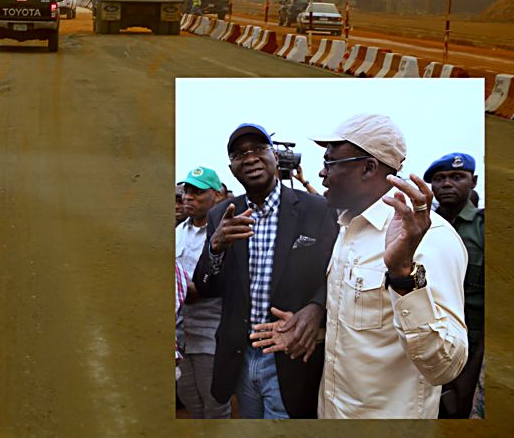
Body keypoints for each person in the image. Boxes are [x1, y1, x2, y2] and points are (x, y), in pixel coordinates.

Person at [254, 114, 468, 419]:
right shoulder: (348, 229)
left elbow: (446, 366)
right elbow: (369, 325)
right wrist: (309, 329)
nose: (320, 172)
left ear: (368, 168)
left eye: (330, 162)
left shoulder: (430, 239)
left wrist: (403, 277)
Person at [194, 123, 338, 419]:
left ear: (274, 156)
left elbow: (334, 274)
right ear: (231, 167)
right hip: (241, 356)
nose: (249, 158)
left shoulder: (317, 209)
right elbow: (206, 287)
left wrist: (316, 308)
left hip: (292, 355)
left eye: (258, 149)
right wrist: (216, 247)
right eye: (239, 154)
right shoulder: (221, 214)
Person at [424, 152, 483, 419]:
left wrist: (472, 375)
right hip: (426, 344)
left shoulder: (484, 228)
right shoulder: (420, 228)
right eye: (439, 179)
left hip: (471, 351)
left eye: (457, 177)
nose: (447, 184)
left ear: (474, 181)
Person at [176, 167, 230, 419]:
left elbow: (212, 285)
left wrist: (181, 290)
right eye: (187, 191)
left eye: (197, 192)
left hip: (210, 335)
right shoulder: (176, 233)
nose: (188, 197)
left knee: (214, 405)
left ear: (217, 195)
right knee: (189, 401)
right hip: (179, 337)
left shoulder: (224, 235)